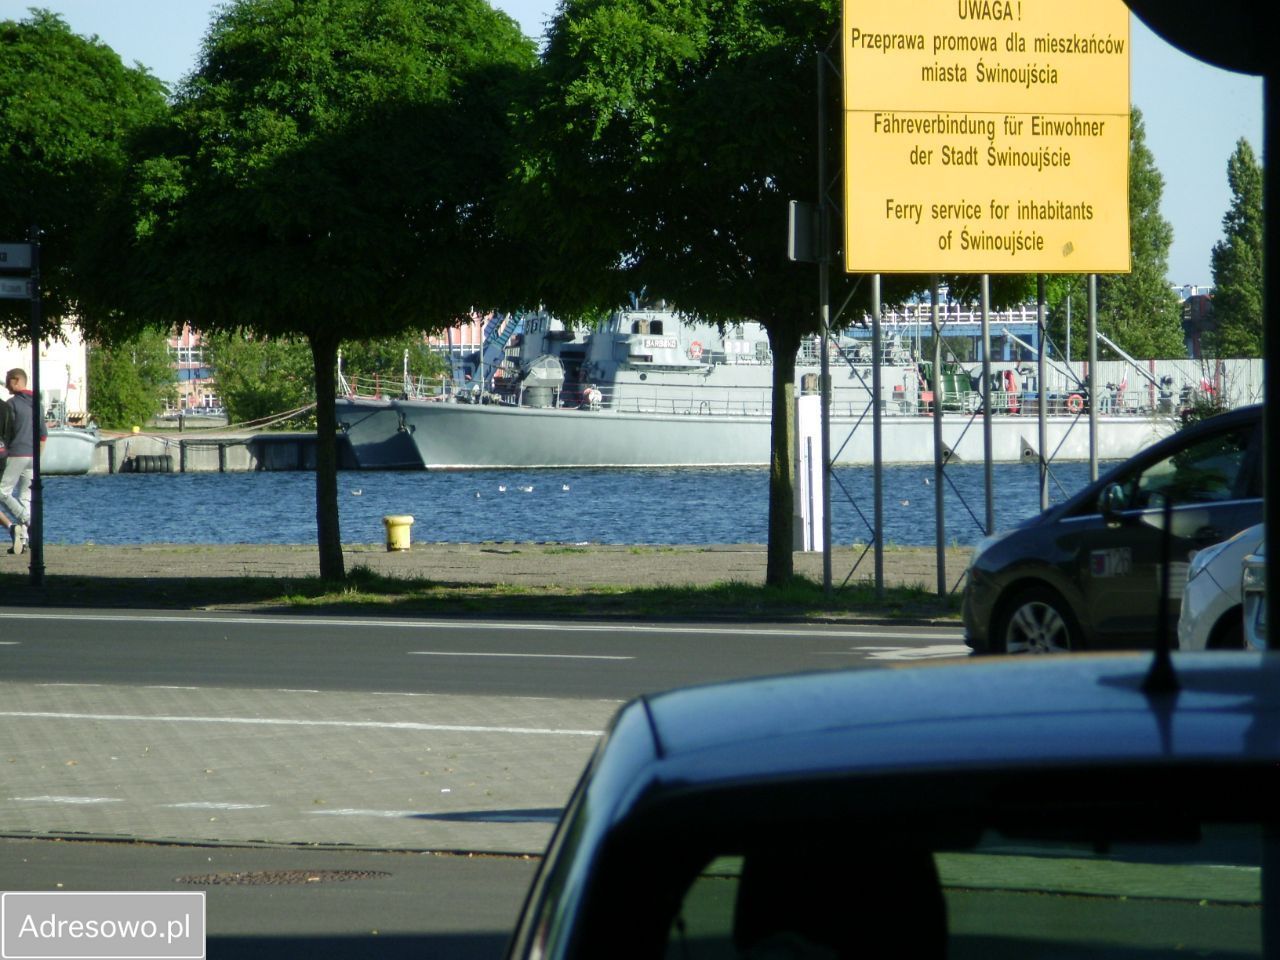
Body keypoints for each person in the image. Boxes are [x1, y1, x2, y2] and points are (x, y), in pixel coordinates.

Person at [0, 368, 47, 555]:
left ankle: (28, 521)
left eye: (7, 380)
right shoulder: (38, 404)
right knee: (25, 497)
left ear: (16, 380)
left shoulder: (11, 405)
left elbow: (7, 433)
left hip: (16, 453)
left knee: (2, 492)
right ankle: (25, 540)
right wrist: (37, 458)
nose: (5, 384)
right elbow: (43, 435)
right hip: (33, 456)